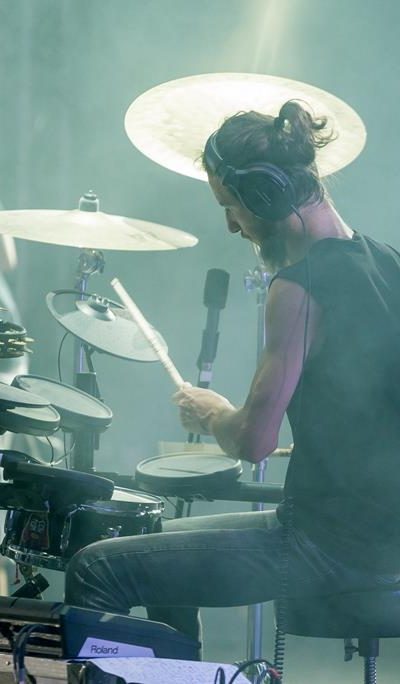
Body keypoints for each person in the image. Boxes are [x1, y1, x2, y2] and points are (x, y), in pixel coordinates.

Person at [65, 100, 400, 655]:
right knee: (150, 541)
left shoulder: (300, 288)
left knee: (96, 568)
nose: (230, 224)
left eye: (230, 205)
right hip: (381, 539)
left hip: (328, 546)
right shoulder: (389, 262)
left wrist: (213, 413)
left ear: (265, 195)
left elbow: (253, 442)